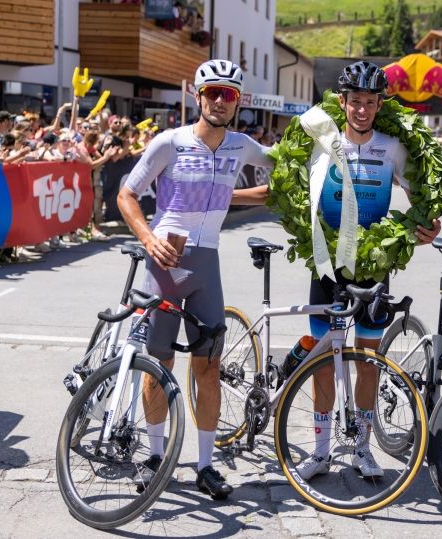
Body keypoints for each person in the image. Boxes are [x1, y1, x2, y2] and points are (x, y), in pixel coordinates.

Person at [117, 59, 272, 500]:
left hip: (207, 264)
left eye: (229, 94)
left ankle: (205, 466)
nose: (221, 100)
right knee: (158, 365)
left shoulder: (243, 145)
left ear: (238, 101)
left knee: (208, 367)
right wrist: (147, 238)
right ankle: (153, 455)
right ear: (197, 96)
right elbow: (127, 193)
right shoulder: (170, 142)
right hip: (163, 263)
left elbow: (290, 161)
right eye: (213, 93)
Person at [294, 61, 440, 481]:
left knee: (369, 360)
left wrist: (425, 225)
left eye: (370, 103)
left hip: (373, 265)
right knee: (323, 358)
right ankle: (321, 451)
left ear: (380, 105)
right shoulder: (320, 141)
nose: (361, 110)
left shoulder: (392, 147)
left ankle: (361, 447)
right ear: (342, 102)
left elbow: (420, 194)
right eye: (355, 101)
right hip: (327, 264)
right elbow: (288, 183)